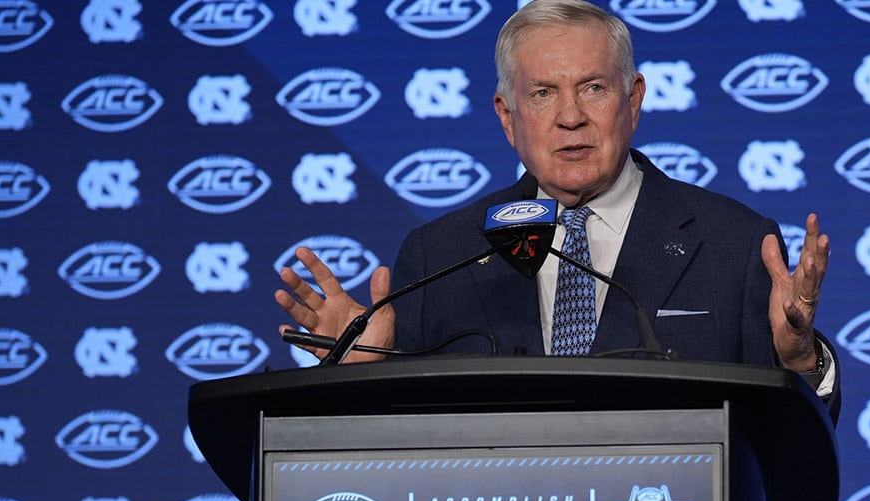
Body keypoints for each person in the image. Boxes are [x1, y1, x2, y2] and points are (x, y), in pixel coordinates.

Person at [275, 0, 840, 421]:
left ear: (634, 99)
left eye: (593, 88)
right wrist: (361, 376)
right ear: (507, 115)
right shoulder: (440, 254)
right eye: (542, 93)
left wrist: (797, 362)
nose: (570, 116)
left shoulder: (734, 243)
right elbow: (398, 453)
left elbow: (795, 451)